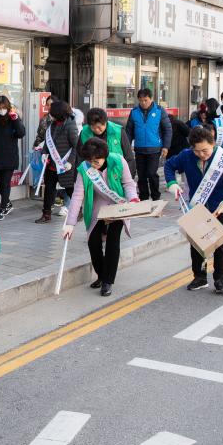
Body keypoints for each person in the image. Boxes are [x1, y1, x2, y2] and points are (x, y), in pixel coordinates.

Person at [164, 126, 223, 295]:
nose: (201, 154)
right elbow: (169, 166)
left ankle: (220, 279)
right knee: (197, 241)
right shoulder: (186, 156)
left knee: (219, 241)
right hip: (197, 204)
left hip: (220, 206)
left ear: (212, 144)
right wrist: (172, 183)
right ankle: (199, 277)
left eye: (205, 150)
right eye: (197, 151)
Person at [62, 137, 139, 297]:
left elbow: (128, 184)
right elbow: (77, 195)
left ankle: (107, 281)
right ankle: (101, 274)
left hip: (119, 207)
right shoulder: (84, 168)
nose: (93, 165)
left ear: (105, 155)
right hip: (97, 208)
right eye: (90, 161)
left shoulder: (118, 161)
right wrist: (70, 223)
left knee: (112, 242)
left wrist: (132, 199)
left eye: (96, 161)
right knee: (93, 242)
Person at [36, 100, 79, 224]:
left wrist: (70, 161)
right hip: (51, 165)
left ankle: (80, 210)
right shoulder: (52, 124)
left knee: (70, 189)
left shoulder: (70, 125)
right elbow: (47, 141)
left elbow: (76, 146)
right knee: (49, 190)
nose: (50, 113)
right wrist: (44, 153)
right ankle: (46, 214)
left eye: (51, 111)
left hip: (65, 165)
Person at [125, 88, 172, 201]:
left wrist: (166, 146)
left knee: (151, 173)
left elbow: (167, 129)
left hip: (154, 149)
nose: (143, 103)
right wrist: (126, 147)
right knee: (141, 176)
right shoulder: (134, 112)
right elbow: (129, 131)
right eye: (140, 100)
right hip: (139, 148)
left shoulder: (160, 111)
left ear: (151, 99)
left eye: (145, 100)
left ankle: (156, 198)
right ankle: (144, 198)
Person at [82, 108, 136, 175]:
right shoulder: (84, 133)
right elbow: (79, 157)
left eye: (99, 127)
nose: (96, 130)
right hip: (93, 175)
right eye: (92, 127)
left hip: (116, 174)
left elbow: (128, 156)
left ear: (105, 122)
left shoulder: (118, 131)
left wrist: (130, 176)